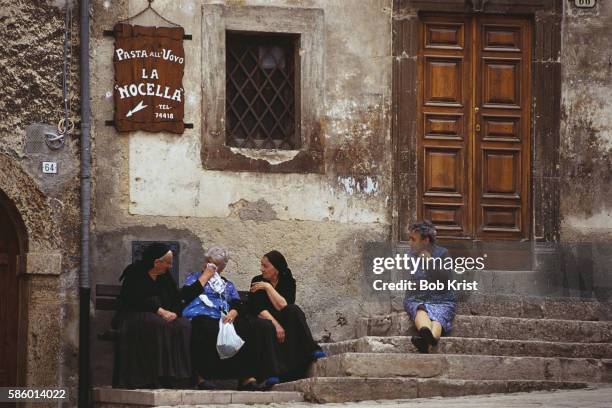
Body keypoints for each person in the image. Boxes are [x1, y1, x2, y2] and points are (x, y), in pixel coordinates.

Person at [181, 246, 276, 391]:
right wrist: (205, 276)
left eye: (218, 265)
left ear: (223, 267)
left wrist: (233, 312)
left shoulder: (227, 285)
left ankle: (246, 376)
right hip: (201, 316)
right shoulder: (194, 278)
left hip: (223, 317)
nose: (214, 268)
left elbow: (238, 303)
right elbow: (186, 296)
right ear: (205, 262)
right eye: (211, 263)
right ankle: (201, 377)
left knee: (245, 327)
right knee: (205, 327)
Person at [112, 243, 192, 389]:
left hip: (158, 316)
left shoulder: (165, 276)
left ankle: (177, 377)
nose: (170, 266)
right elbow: (132, 300)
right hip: (133, 316)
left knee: (183, 325)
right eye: (168, 263)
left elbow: (175, 297)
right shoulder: (135, 272)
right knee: (158, 324)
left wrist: (174, 312)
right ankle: (156, 376)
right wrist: (159, 310)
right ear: (157, 262)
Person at [248, 250, 326, 384]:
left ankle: (312, 349)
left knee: (293, 310)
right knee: (266, 326)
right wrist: (276, 325)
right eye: (261, 265)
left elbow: (283, 305)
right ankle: (271, 374)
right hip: (264, 320)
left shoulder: (287, 281)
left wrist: (267, 287)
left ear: (276, 268)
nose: (262, 269)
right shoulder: (256, 281)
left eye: (265, 266)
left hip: (282, 316)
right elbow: (258, 308)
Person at [403, 220, 457, 353]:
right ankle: (429, 337)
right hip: (418, 298)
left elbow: (445, 279)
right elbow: (408, 280)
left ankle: (427, 341)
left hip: (442, 298)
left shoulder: (443, 253)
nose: (410, 242)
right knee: (420, 310)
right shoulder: (409, 256)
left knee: (438, 317)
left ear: (425, 240)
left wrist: (430, 262)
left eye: (413, 239)